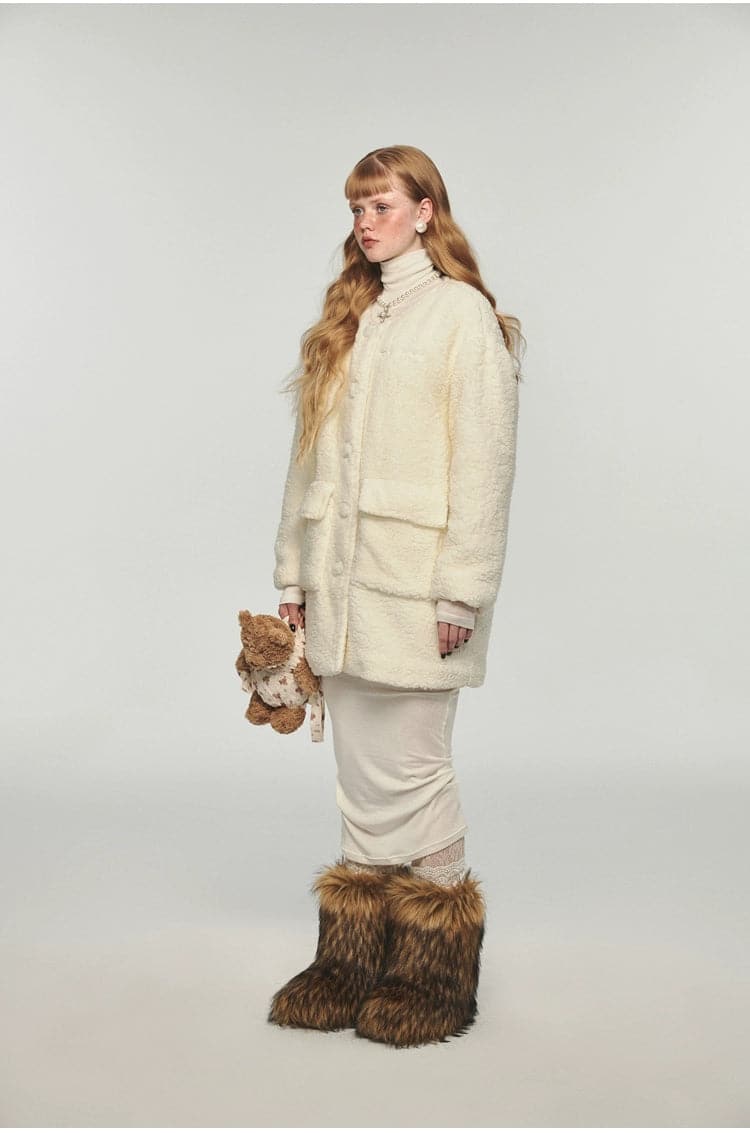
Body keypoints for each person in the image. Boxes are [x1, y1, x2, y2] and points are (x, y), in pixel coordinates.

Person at [267, 145, 522, 1048]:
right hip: (339, 588)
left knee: (414, 770)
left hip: (417, 591)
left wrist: (463, 590)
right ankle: (352, 958)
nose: (365, 222)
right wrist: (293, 572)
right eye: (357, 208)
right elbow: (308, 461)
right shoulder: (353, 315)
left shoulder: (461, 316)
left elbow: (484, 465)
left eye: (381, 204)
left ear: (425, 211)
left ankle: (434, 971)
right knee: (361, 778)